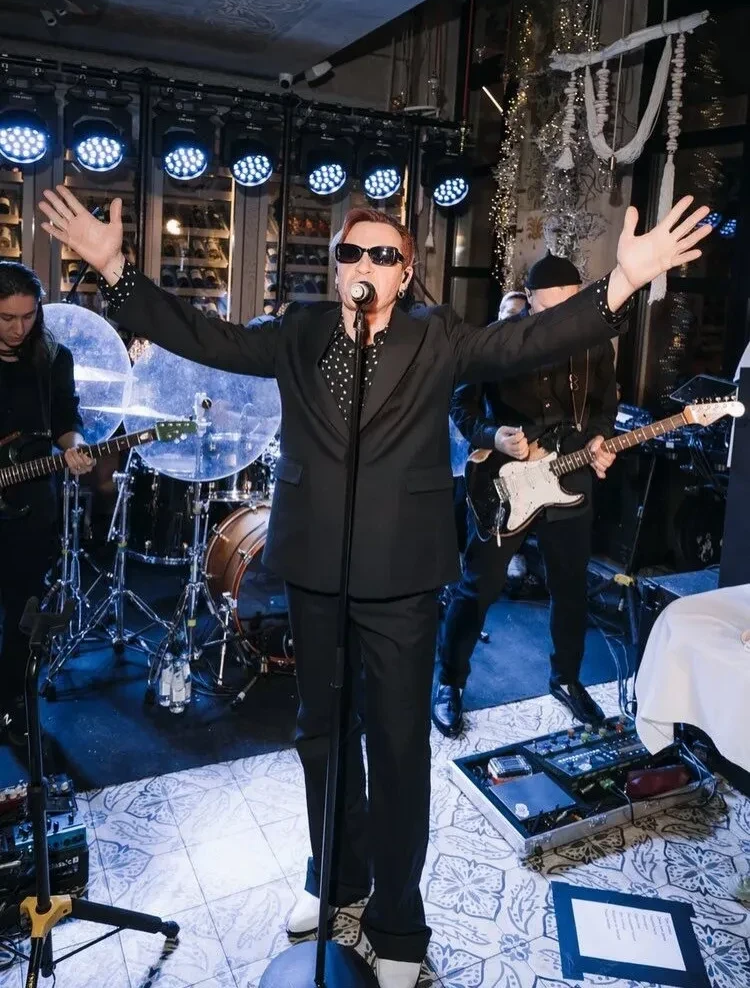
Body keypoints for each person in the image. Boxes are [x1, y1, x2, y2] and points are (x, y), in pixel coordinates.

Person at [38, 185, 710, 988]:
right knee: (321, 738)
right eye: (351, 253)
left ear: (405, 271)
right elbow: (206, 337)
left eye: (382, 254)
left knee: (395, 749)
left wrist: (622, 282)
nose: (365, 264)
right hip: (316, 573)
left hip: (402, 579)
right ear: (337, 267)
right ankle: (335, 879)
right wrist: (117, 271)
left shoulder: (437, 337)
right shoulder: (301, 331)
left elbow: (527, 339)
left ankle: (397, 919)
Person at [433, 252, 618, 738]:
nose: (560, 318)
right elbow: (461, 406)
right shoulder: (497, 341)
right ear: (529, 300)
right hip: (507, 481)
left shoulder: (595, 345)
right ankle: (449, 682)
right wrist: (493, 436)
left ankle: (567, 678)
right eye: (549, 308)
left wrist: (600, 439)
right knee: (479, 585)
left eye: (569, 305)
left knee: (570, 586)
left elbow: (605, 407)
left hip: (570, 475)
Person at [0, 261, 94, 745]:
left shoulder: (54, 357)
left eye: (28, 316)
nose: (19, 329)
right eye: (6, 318)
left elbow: (65, 418)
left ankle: (13, 705)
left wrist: (74, 447)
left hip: (31, 504)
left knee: (24, 612)